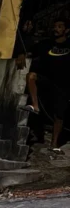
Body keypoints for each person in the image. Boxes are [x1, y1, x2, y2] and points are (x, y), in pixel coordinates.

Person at [26, 18, 70, 153]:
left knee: (59, 115)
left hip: (64, 84)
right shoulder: (46, 44)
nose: (56, 29)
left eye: (60, 26)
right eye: (55, 26)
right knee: (31, 76)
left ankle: (54, 143)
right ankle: (35, 105)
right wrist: (22, 54)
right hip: (48, 80)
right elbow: (29, 49)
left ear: (66, 30)